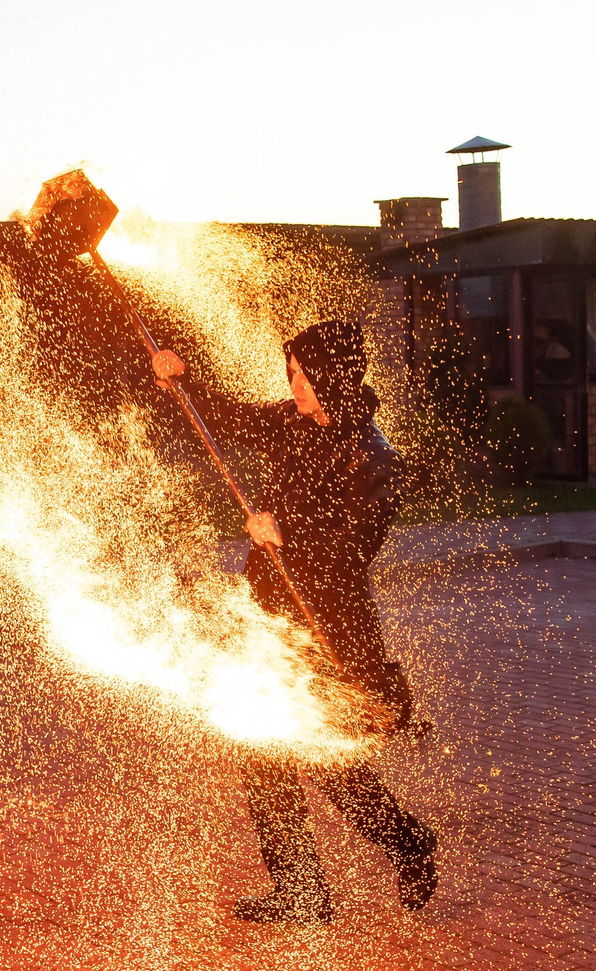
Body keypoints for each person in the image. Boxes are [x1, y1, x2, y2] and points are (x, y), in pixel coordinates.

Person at [150, 321, 439, 925]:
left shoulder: (373, 456)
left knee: (334, 771)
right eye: (291, 374)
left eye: (305, 375)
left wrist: (289, 538)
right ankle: (300, 890)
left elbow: (353, 548)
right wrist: (183, 381)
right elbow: (232, 421)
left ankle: (409, 842)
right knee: (261, 749)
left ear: (335, 377)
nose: (295, 386)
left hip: (331, 630)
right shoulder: (288, 422)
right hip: (272, 615)